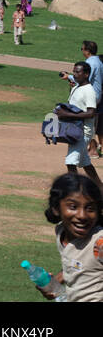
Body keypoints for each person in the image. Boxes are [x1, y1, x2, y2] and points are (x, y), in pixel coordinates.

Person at [37, 173, 103, 302]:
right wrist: (55, 282)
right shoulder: (61, 231)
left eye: (90, 208)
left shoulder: (98, 242)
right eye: (73, 207)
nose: (82, 215)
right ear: (56, 208)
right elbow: (76, 265)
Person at [57, 62, 100, 190]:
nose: (74, 74)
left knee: (70, 162)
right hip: (74, 129)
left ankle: (74, 191)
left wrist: (67, 114)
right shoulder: (77, 87)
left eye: (77, 72)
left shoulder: (89, 91)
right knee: (85, 163)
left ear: (86, 74)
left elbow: (91, 113)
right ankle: (101, 189)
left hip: (82, 132)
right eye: (74, 71)